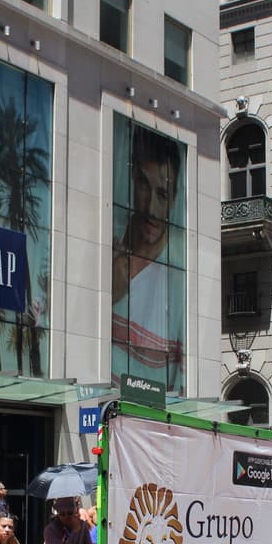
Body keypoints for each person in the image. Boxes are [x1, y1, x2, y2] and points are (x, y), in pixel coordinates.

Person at [111, 125, 185, 389]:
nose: (151, 208)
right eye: (144, 184)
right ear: (132, 178)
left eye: (162, 194)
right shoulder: (106, 241)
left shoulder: (180, 280)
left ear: (174, 199)